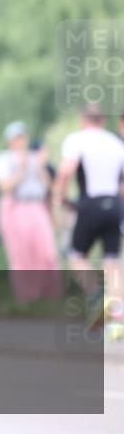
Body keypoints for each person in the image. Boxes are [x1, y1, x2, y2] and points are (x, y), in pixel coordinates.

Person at [52, 103, 124, 330]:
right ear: (102, 121)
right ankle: (117, 323)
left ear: (83, 120)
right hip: (114, 205)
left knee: (76, 256)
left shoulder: (77, 140)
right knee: (111, 262)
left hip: (89, 206)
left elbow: (66, 170)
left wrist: (59, 196)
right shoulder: (116, 143)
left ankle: (96, 294)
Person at [0, 122, 61, 305]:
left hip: (37, 207)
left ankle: (50, 297)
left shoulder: (35, 159)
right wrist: (21, 169)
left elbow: (49, 187)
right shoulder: (3, 159)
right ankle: (27, 299)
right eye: (16, 138)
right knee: (22, 256)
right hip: (15, 207)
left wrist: (42, 166)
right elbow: (5, 187)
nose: (20, 141)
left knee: (47, 254)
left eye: (22, 137)